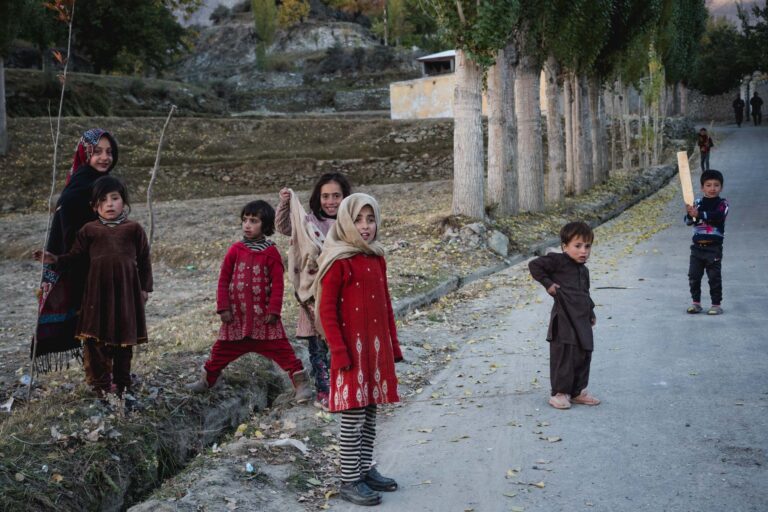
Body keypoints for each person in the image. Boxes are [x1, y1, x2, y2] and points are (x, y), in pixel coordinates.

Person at [315, 193, 403, 506]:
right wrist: (338, 352)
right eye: (358, 219)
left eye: (371, 218)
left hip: (375, 353)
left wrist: (392, 346)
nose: (365, 226)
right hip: (350, 355)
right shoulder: (339, 261)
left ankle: (365, 470)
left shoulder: (376, 257)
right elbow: (326, 312)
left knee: (369, 413)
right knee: (352, 419)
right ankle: (349, 480)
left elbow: (386, 305)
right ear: (345, 222)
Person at [35, 176, 152, 400]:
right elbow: (74, 258)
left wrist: (145, 289)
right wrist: (54, 258)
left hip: (127, 294)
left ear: (124, 202)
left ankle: (123, 383)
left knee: (124, 339)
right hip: (97, 296)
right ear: (94, 206)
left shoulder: (134, 229)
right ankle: (101, 385)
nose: (109, 204)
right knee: (96, 341)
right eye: (103, 200)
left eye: (115, 198)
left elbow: (145, 260)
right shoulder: (89, 230)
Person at [186, 200, 313, 402]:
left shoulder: (271, 253)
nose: (247, 225)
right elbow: (223, 280)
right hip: (237, 319)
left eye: (253, 221)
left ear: (266, 225)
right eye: (244, 220)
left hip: (264, 321)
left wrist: (274, 310)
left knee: (284, 353)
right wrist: (223, 307)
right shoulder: (235, 250)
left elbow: (278, 284)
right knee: (219, 352)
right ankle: (207, 380)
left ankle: (301, 385)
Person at [33, 128, 119, 373]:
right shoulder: (80, 188)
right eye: (97, 152)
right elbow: (73, 235)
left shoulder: (104, 185)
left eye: (109, 152)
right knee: (95, 325)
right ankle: (101, 379)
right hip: (86, 268)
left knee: (110, 323)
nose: (105, 157)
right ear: (85, 153)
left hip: (107, 265)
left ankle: (109, 373)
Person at [275, 173, 351, 410]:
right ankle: (324, 391)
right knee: (317, 350)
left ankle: (345, 388)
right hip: (313, 299)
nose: (330, 201)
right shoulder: (308, 223)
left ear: (345, 197)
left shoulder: (350, 224)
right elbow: (285, 226)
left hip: (342, 296)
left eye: (336, 196)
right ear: (318, 198)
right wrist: (286, 203)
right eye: (325, 196)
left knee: (340, 346)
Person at [528, 222, 600, 411]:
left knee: (584, 354)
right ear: (564, 246)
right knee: (565, 356)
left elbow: (585, 293)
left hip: (581, 319)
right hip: (564, 319)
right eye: (577, 246)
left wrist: (591, 312)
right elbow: (534, 265)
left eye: (587, 246)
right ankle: (560, 393)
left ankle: (577, 392)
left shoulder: (584, 270)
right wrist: (548, 284)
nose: (583, 251)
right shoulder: (558, 261)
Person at [684, 169, 729, 315]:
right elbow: (688, 221)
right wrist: (690, 214)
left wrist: (700, 213)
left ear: (721, 187)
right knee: (694, 276)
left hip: (713, 249)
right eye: (708, 185)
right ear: (702, 187)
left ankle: (716, 304)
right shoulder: (696, 203)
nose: (712, 188)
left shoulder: (722, 204)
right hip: (697, 249)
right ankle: (696, 303)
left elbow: (718, 216)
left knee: (714, 277)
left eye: (716, 185)